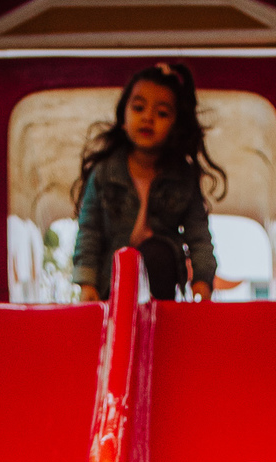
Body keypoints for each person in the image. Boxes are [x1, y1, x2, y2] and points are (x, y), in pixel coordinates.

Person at [71, 61, 223, 303]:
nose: (148, 118)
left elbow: (199, 234)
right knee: (124, 261)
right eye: (139, 108)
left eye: (162, 113)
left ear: (175, 126)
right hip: (114, 280)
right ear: (123, 117)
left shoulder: (183, 177)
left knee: (157, 252)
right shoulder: (104, 173)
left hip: (160, 273)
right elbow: (90, 230)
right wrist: (87, 283)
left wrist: (202, 282)